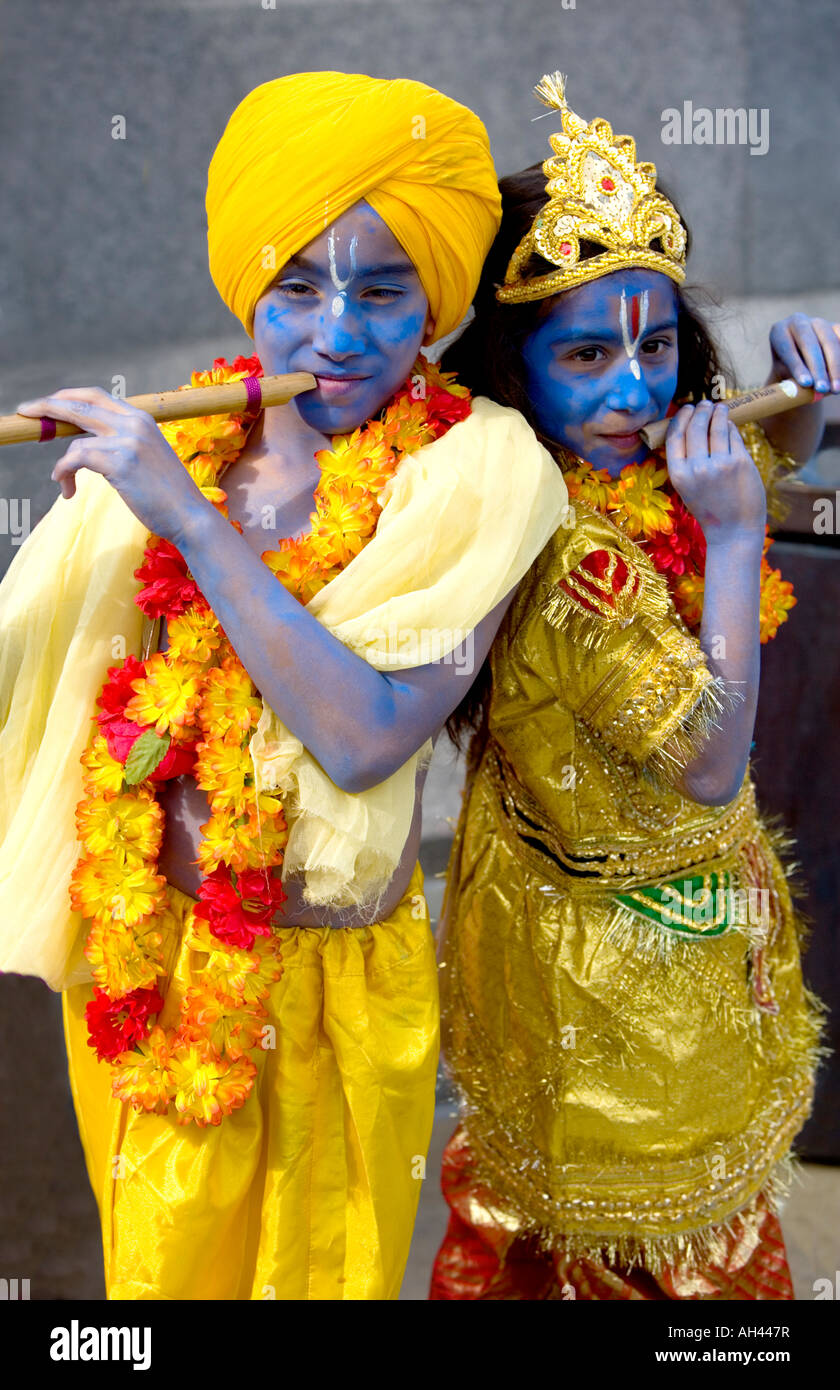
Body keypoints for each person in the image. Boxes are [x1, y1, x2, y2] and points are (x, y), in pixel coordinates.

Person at [0, 71, 570, 1300]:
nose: (337, 334)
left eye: (382, 290)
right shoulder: (170, 448)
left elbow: (364, 738)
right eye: (297, 290)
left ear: (435, 301)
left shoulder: (479, 469)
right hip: (143, 969)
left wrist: (187, 522)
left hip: (325, 998)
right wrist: (114, 512)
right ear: (249, 289)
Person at [429, 73, 836, 1301]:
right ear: (515, 369)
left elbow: (755, 450)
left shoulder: (622, 456)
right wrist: (733, 541)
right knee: (639, 1249)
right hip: (610, 965)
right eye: (589, 355)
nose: (635, 392)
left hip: (614, 915)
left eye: (658, 347)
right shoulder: (567, 554)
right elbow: (712, 761)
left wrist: (799, 392)